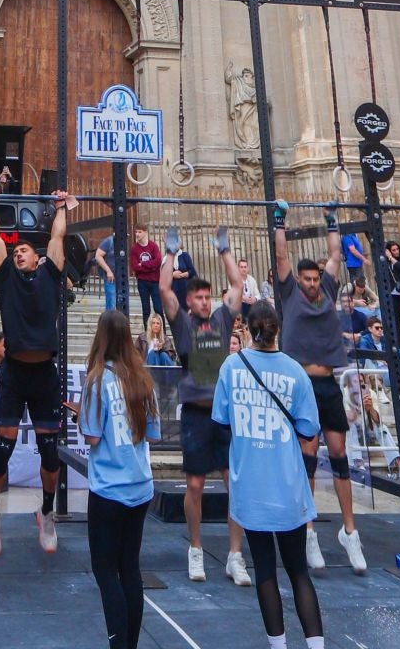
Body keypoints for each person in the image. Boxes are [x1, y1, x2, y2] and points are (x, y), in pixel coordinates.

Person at [212, 300, 326, 649]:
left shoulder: (232, 367)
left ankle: (279, 646)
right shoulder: (294, 371)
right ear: (279, 330)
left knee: (265, 570)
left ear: (247, 329)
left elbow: (221, 421)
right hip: (287, 485)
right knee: (298, 572)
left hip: (251, 486)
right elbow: (309, 429)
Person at [0, 185, 75, 558]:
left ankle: (47, 512)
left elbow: (58, 234)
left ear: (37, 259)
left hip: (44, 375)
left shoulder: (51, 273)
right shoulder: (5, 277)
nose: (18, 253)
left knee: (50, 454)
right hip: (15, 373)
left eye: (24, 251)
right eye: (15, 250)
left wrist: (63, 206)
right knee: (1, 450)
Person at [272, 200, 367, 572]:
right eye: (307, 279)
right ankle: (308, 531)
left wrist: (332, 222)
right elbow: (281, 256)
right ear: (299, 280)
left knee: (340, 456)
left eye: (315, 279)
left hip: (328, 384)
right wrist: (280, 220)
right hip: (301, 385)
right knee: (308, 458)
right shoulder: (290, 293)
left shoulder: (328, 288)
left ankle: (349, 532)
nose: (312, 283)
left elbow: (334, 254)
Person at [158, 228, 252, 587]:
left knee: (236, 487)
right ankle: (195, 550)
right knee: (194, 485)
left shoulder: (222, 319)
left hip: (224, 415)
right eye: (196, 297)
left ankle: (234, 556)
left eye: (205, 297)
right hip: (196, 414)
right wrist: (170, 253)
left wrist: (225, 249)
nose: (201, 302)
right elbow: (165, 289)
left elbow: (237, 287)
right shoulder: (181, 323)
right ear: (190, 300)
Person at [80, 308, 159, 649]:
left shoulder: (98, 380)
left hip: (109, 488)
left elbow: (93, 436)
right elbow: (152, 434)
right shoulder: (142, 379)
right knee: (130, 568)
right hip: (140, 487)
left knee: (106, 571)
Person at [129, 226, 161, 328]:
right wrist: (151, 267)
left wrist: (142, 263)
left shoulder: (153, 246)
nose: (137, 234)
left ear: (145, 232)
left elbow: (158, 262)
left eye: (139, 232)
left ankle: (162, 334)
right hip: (142, 282)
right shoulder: (134, 249)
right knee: (146, 309)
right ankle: (148, 334)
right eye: (136, 232)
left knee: (158, 308)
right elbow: (135, 267)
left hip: (155, 281)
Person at [94, 233, 117, 312]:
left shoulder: (124, 241)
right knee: (111, 303)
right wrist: (108, 271)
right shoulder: (109, 241)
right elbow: (98, 256)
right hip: (111, 278)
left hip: (121, 278)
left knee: (120, 303)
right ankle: (109, 323)